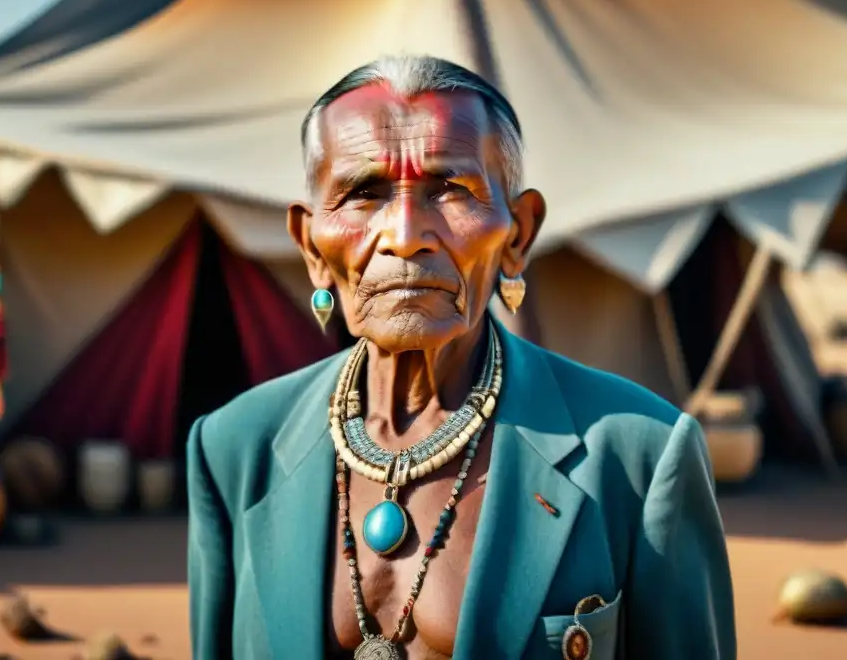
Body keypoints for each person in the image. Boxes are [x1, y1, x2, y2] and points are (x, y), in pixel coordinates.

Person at [186, 55, 737, 660]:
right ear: (312, 246)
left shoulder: (638, 456)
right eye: (363, 193)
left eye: (450, 189)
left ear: (518, 236)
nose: (404, 233)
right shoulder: (233, 449)